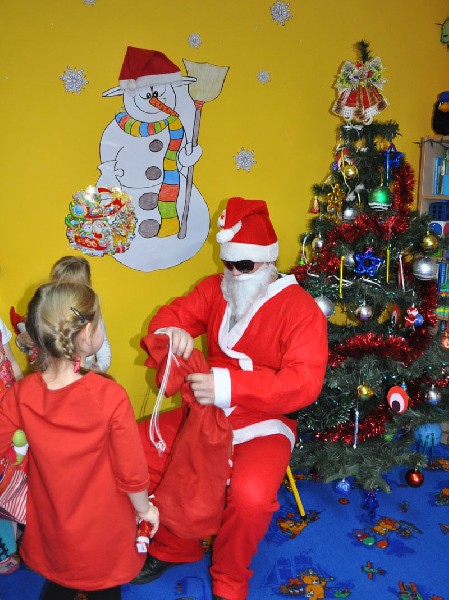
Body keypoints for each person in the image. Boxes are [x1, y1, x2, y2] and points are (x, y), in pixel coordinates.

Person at [134, 197, 328, 600]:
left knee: (251, 497)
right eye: (229, 264)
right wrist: (173, 334)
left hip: (266, 420)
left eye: (245, 265)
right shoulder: (215, 288)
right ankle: (175, 543)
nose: (235, 273)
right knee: (136, 446)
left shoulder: (301, 309)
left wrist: (229, 386)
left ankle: (229, 577)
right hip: (207, 412)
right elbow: (168, 318)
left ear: (268, 261)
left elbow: (304, 382)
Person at [0, 282, 159, 599]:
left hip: (53, 525)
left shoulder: (23, 393)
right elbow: (132, 473)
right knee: (105, 589)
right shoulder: (110, 395)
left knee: (60, 582)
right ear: (86, 334)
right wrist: (146, 511)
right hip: (104, 530)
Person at [16, 256, 112, 372]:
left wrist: (100, 366)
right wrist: (21, 340)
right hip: (49, 373)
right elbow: (34, 343)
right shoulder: (47, 312)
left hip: (82, 373)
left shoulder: (91, 313)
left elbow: (103, 344)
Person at [0, 315, 23, 575]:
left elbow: (13, 364)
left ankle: (12, 539)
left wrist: (24, 397)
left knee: (14, 473)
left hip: (9, 414)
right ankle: (4, 549)